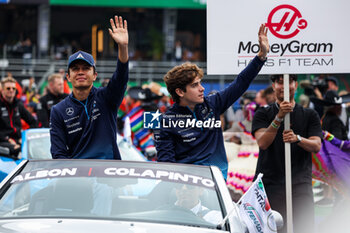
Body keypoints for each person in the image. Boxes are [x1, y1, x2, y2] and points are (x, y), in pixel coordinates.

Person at [155, 24, 269, 179]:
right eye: (195, 85)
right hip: (188, 187)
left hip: (216, 183)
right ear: (180, 92)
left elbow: (240, 83)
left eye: (200, 83)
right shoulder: (167, 121)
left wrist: (261, 56)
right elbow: (165, 165)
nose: (202, 88)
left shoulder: (212, 104)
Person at [50, 15, 129, 159]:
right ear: (68, 77)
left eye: (86, 68)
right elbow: (58, 154)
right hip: (79, 178)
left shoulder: (107, 98)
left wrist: (123, 47)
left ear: (94, 75)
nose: (80, 72)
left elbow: (121, 76)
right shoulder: (58, 111)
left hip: (109, 176)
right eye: (75, 69)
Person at [252, 74, 322, 233]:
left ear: (296, 85)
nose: (284, 85)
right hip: (271, 183)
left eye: (289, 81)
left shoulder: (310, 115)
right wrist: (279, 118)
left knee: (304, 227)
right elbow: (263, 143)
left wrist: (298, 139)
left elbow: (316, 145)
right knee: (271, 229)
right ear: (273, 86)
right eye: (279, 82)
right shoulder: (262, 114)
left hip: (299, 183)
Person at [0, 77, 38, 157]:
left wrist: (25, 136)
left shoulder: (18, 104)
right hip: (3, 141)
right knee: (16, 149)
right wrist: (7, 139)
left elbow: (33, 122)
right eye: (8, 88)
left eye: (13, 88)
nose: (11, 90)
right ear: (2, 90)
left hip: (18, 141)